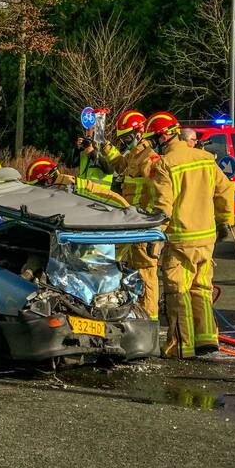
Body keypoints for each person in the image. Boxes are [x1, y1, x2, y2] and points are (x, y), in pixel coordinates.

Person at [148, 111, 234, 359]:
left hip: (179, 240)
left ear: (164, 136)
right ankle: (208, 339)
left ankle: (181, 346)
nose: (155, 144)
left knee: (178, 293)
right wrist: (224, 221)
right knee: (202, 288)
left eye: (155, 138)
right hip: (206, 239)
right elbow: (225, 189)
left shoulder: (165, 165)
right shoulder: (206, 158)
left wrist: (154, 237)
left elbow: (164, 207)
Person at [104, 110, 162, 320]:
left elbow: (159, 192)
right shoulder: (135, 155)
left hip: (143, 225)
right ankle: (135, 316)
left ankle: (150, 320)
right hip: (130, 223)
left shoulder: (149, 158)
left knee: (146, 274)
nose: (126, 142)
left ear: (140, 132)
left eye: (128, 138)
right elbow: (122, 165)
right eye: (123, 139)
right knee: (126, 270)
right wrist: (105, 147)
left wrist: (153, 224)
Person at [24, 157, 129, 208]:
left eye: (38, 186)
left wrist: (128, 211)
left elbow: (109, 197)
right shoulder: (56, 190)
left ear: (48, 180)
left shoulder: (73, 186)